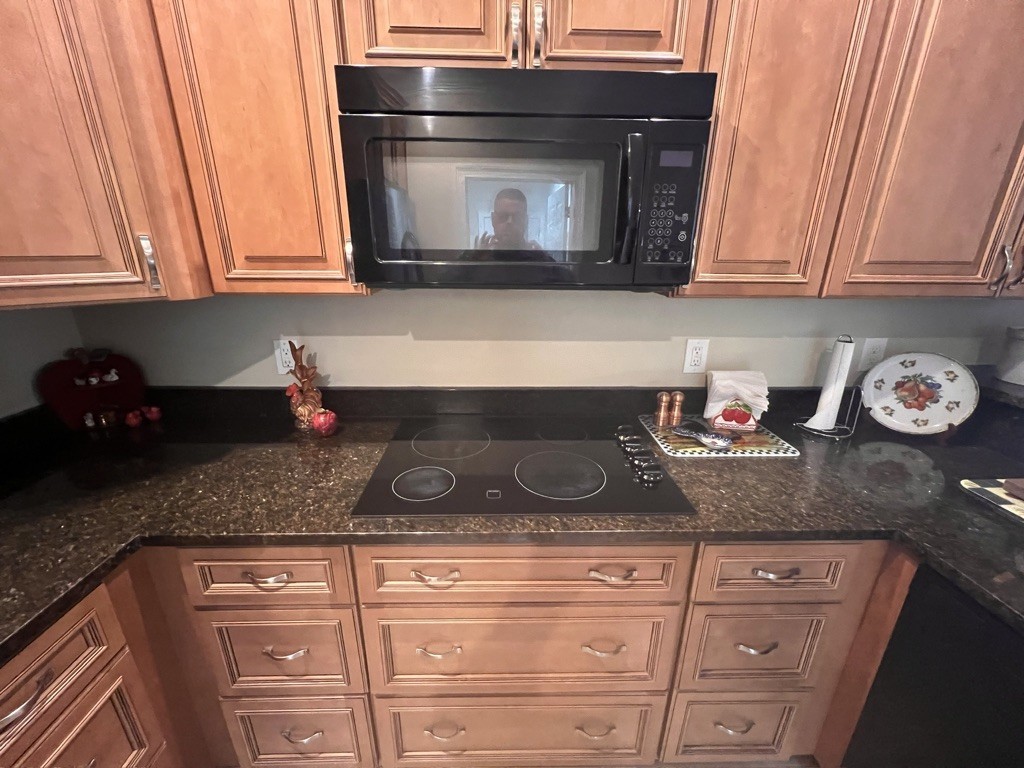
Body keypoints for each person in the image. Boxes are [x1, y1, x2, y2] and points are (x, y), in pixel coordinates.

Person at [475, 188, 543, 251]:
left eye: (517, 217)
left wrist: (543, 260)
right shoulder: (483, 256)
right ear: (493, 219)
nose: (509, 222)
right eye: (502, 216)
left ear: (526, 221)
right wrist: (477, 261)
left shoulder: (539, 257)